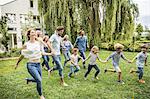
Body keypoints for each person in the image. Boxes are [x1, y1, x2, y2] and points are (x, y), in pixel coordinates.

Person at [15, 28, 54, 99]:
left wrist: (50, 53)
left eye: (35, 32)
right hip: (31, 65)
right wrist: (17, 63)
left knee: (39, 79)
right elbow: (22, 55)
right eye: (32, 32)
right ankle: (41, 95)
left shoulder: (38, 43)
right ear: (29, 35)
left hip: (38, 64)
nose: (34, 33)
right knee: (39, 80)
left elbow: (43, 50)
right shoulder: (26, 44)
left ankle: (29, 80)